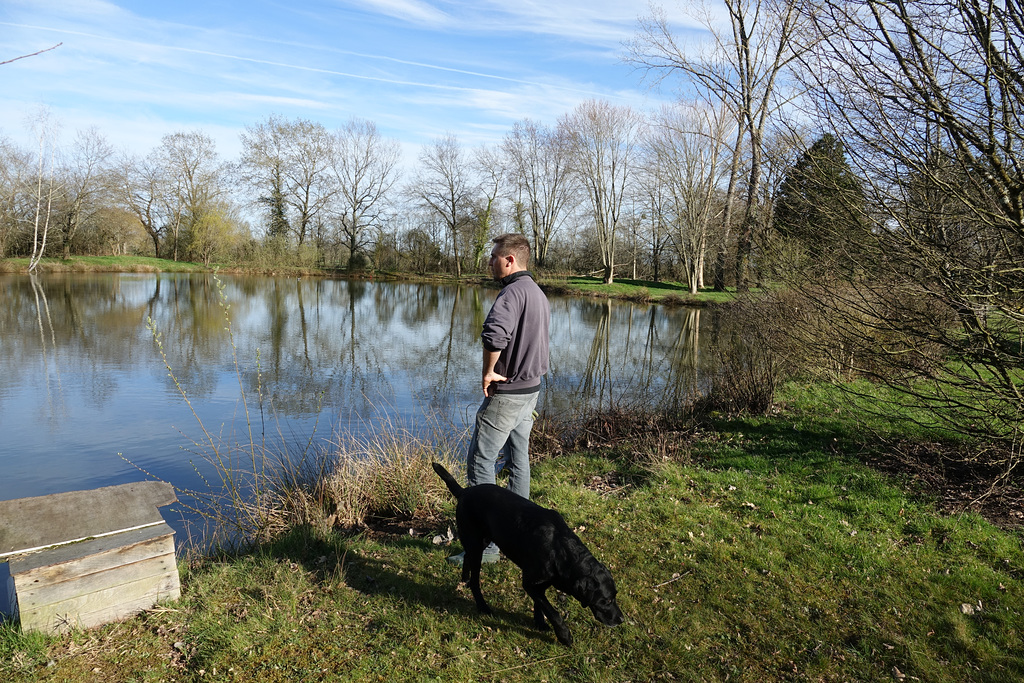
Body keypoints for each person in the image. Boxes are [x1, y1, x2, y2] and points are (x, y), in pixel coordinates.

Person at [448, 233, 551, 566]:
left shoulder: (512, 293)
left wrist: (489, 372)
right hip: (531, 390)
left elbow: (494, 335)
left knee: (481, 463)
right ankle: (522, 533)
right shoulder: (537, 293)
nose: (489, 262)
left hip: (507, 394)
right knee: (519, 459)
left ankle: (488, 547)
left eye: (493, 257)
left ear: (510, 260)